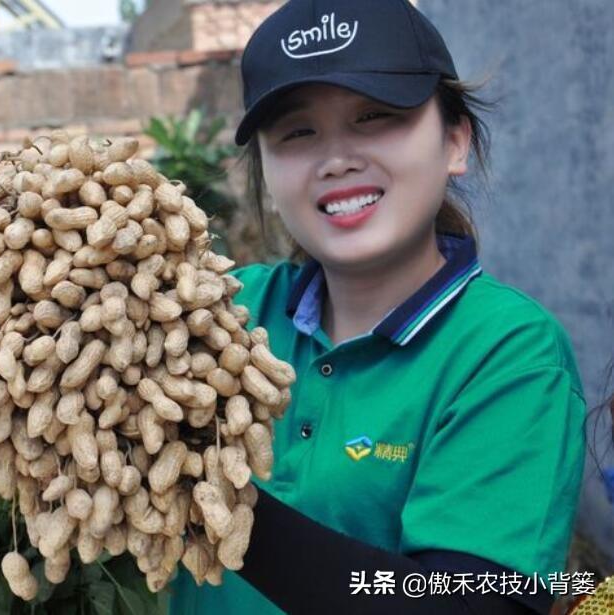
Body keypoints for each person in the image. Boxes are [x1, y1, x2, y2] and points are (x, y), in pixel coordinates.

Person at [168, 0, 588, 613]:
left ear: (454, 140)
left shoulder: (511, 354)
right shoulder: (218, 313)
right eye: (297, 132)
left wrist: (192, 493)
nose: (337, 158)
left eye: (375, 116)